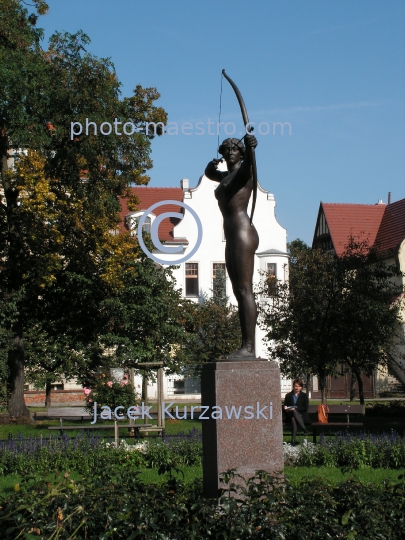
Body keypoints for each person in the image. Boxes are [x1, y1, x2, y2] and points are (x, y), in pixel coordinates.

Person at [205, 134, 258, 359]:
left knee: (245, 290)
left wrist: (251, 147)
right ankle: (246, 345)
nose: (229, 152)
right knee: (238, 291)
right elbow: (210, 174)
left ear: (241, 152)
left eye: (234, 148)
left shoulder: (243, 174)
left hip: (242, 233)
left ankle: (249, 348)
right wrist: (209, 167)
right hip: (233, 235)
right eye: (225, 149)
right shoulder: (227, 176)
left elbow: (250, 165)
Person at [283, 378, 310, 445]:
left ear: (301, 387)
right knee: (292, 416)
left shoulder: (304, 396)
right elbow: (285, 405)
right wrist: (286, 408)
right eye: (296, 386)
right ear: (293, 386)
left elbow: (305, 408)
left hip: (301, 415)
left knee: (293, 417)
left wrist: (295, 409)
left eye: (299, 386)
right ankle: (304, 429)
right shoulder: (288, 395)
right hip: (289, 414)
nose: (297, 388)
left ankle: (292, 441)